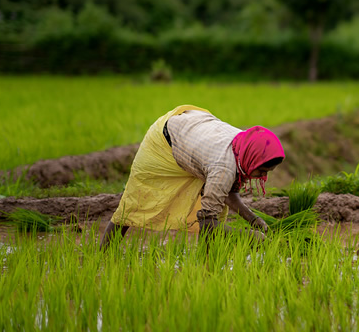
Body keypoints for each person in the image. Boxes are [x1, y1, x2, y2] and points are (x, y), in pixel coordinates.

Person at [100, 105, 285, 249]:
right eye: (262, 171)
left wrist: (254, 220)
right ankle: (103, 254)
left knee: (218, 211)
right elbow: (207, 224)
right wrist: (250, 236)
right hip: (163, 139)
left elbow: (228, 193)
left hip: (194, 133)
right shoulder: (223, 168)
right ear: (251, 159)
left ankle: (207, 266)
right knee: (133, 202)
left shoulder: (244, 146)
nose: (263, 176)